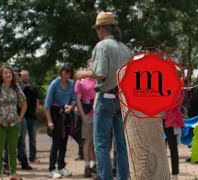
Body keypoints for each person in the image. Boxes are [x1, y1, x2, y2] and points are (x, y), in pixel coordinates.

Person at [76, 11, 131, 180]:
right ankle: (123, 177)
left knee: (101, 143)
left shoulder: (102, 46)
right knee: (121, 144)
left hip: (106, 97)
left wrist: (83, 73)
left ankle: (105, 177)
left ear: (100, 29)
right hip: (122, 99)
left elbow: (100, 73)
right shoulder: (126, 48)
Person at [0, 65, 27, 180]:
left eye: (9, 73)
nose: (8, 74)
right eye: (5, 73)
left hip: (14, 124)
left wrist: (20, 117)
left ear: (12, 75)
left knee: (13, 150)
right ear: (1, 76)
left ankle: (13, 174)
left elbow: (24, 103)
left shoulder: (16, 88)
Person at [44, 63, 76, 179]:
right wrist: (49, 121)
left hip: (66, 114)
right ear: (61, 71)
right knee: (56, 142)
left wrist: (71, 107)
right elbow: (47, 105)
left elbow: (73, 99)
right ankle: (52, 169)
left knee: (64, 142)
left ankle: (61, 167)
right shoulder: (54, 84)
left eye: (69, 72)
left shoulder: (72, 83)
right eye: (65, 71)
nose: (67, 74)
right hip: (55, 114)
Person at [3, 67, 33, 171]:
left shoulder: (22, 87)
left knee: (21, 141)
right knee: (7, 141)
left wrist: (21, 117)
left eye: (18, 74)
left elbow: (24, 103)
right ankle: (5, 163)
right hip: (6, 118)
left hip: (19, 117)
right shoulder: (4, 86)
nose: (17, 76)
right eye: (14, 74)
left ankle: (23, 162)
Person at [74, 60, 97, 177]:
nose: (93, 66)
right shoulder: (81, 81)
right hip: (87, 115)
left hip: (99, 115)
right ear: (86, 67)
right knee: (87, 141)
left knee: (96, 142)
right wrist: (83, 115)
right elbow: (78, 99)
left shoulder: (99, 79)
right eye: (91, 64)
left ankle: (95, 164)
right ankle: (87, 166)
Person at [163, 93, 185, 180]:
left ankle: (175, 174)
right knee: (161, 149)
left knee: (173, 149)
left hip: (171, 122)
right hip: (160, 121)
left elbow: (177, 100)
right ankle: (163, 172)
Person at [20, 69, 40, 163]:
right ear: (20, 76)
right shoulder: (18, 87)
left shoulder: (33, 87)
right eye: (23, 75)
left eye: (26, 75)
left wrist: (36, 111)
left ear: (29, 76)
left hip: (32, 116)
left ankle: (33, 157)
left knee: (33, 138)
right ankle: (22, 158)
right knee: (22, 138)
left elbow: (37, 100)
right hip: (23, 116)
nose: (25, 77)